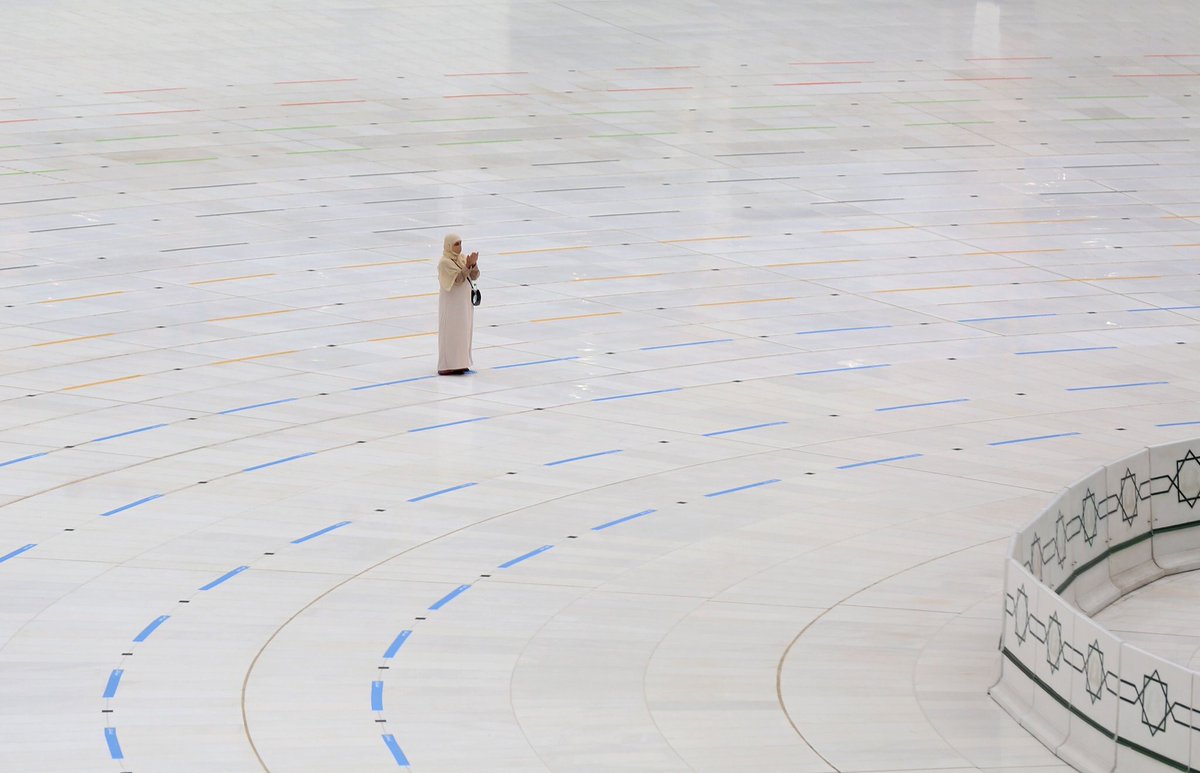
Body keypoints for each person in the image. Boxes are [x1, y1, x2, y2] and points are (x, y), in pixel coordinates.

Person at [436, 233, 479, 375]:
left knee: (463, 332)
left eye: (460, 243)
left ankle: (461, 363)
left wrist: (472, 264)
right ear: (448, 245)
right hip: (452, 305)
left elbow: (474, 275)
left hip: (463, 304)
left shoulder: (461, 258)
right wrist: (467, 265)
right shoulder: (445, 262)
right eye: (456, 244)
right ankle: (447, 365)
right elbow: (459, 279)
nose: (459, 246)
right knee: (451, 332)